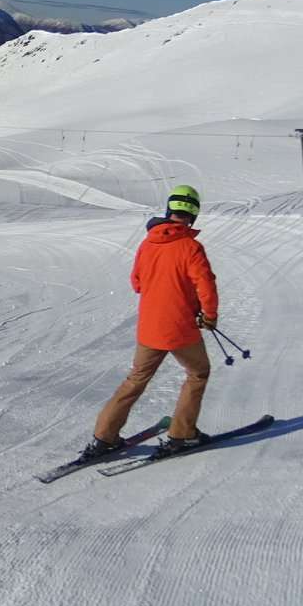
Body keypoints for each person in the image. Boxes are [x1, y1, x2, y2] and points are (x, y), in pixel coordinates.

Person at [82, 185, 218, 458]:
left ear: (169, 210)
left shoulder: (148, 243)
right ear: (193, 214)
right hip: (180, 329)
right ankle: (183, 434)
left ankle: (104, 437)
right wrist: (209, 315)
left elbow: (137, 282)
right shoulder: (191, 247)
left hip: (149, 328)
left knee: (136, 379)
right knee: (198, 373)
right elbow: (206, 285)